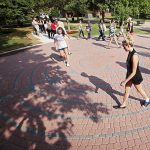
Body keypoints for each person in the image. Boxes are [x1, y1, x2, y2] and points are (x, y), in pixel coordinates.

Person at [116, 40, 150, 108]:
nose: (123, 48)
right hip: (129, 75)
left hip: (135, 76)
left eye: (124, 46)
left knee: (139, 90)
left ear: (128, 45)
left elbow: (134, 72)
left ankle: (147, 99)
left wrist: (124, 81)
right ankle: (124, 104)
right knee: (127, 90)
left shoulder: (134, 56)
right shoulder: (130, 52)